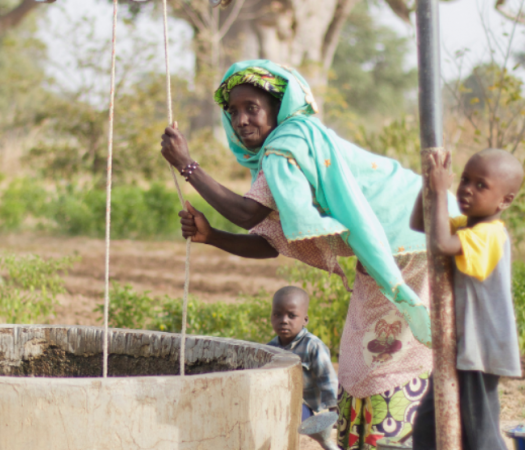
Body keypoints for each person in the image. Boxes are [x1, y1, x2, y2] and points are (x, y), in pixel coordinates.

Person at [161, 60, 458, 449]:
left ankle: (390, 437)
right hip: (403, 237)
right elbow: (270, 241)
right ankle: (374, 437)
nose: (241, 120)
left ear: (277, 109)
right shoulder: (284, 152)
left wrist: (186, 165)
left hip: (409, 235)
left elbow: (248, 214)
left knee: (383, 356)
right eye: (232, 111)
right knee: (364, 353)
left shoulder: (287, 146)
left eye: (252, 108)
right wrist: (212, 236)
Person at [408, 149, 524, 450]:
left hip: (480, 349)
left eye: (481, 185)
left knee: (479, 433)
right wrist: (429, 184)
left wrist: (440, 192)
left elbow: (440, 243)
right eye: (465, 180)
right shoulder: (467, 226)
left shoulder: (490, 234)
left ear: (505, 201)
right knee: (428, 427)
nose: (467, 189)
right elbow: (421, 224)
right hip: (460, 345)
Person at [267, 286, 339, 450]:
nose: (284, 320)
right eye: (277, 315)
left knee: (317, 434)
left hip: (302, 405)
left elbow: (327, 379)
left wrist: (334, 411)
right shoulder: (270, 349)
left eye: (291, 316)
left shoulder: (312, 346)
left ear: (305, 320)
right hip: (278, 403)